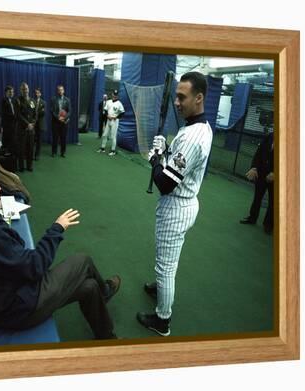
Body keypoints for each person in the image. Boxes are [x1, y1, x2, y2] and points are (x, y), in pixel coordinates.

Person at [0, 164, 121, 340]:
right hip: (17, 310)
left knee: (89, 287)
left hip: (0, 300)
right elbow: (34, 266)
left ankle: (106, 336)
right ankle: (105, 291)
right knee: (83, 261)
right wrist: (57, 228)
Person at [136, 71, 213, 337]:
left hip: (176, 206)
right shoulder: (197, 127)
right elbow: (179, 164)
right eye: (177, 96)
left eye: (182, 97)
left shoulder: (193, 135)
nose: (177, 102)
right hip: (184, 201)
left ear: (199, 98)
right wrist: (166, 149)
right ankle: (160, 286)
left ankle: (162, 321)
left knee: (165, 266)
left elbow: (165, 182)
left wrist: (156, 158)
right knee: (168, 261)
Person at [239, 131, 274, 234]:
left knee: (273, 201)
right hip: (262, 173)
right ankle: (252, 218)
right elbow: (259, 153)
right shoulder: (270, 136)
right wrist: (254, 168)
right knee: (257, 197)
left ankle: (268, 225)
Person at [14, 82, 36, 172]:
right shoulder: (17, 100)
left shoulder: (32, 101)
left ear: (29, 89)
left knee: (30, 148)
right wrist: (27, 124)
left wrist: (33, 123)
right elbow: (18, 115)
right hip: (21, 129)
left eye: (26, 89)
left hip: (31, 129)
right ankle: (21, 167)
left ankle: (29, 166)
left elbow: (35, 114)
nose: (25, 91)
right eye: (23, 89)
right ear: (20, 90)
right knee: (21, 149)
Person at [96, 90, 125, 156]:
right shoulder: (108, 102)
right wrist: (107, 115)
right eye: (113, 94)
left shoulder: (119, 103)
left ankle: (113, 150)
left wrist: (116, 117)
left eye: (116, 95)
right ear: (112, 94)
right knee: (105, 135)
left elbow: (123, 112)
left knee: (113, 136)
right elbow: (105, 110)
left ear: (117, 96)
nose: (114, 96)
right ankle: (102, 148)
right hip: (108, 120)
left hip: (114, 121)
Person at [50, 84, 71, 157]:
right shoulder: (53, 99)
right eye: (59, 90)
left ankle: (63, 152)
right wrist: (58, 118)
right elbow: (52, 111)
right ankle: (54, 152)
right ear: (57, 91)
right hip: (55, 122)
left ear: (64, 91)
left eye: (61, 90)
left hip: (64, 122)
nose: (60, 91)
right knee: (55, 138)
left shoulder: (67, 100)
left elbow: (69, 111)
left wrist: (64, 118)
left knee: (63, 138)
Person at [0, 85, 17, 157]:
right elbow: (4, 114)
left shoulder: (13, 101)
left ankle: (12, 155)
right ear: (6, 92)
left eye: (12, 92)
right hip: (7, 126)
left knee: (13, 142)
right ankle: (7, 156)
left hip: (14, 125)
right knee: (7, 142)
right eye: (10, 92)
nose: (12, 93)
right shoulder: (4, 101)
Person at [33, 87, 46, 160]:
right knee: (31, 140)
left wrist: (36, 113)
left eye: (38, 93)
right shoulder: (32, 101)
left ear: (40, 94)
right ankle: (30, 154)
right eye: (35, 93)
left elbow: (43, 113)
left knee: (39, 141)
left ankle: (37, 155)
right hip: (33, 124)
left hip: (40, 124)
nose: (36, 94)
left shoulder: (43, 102)